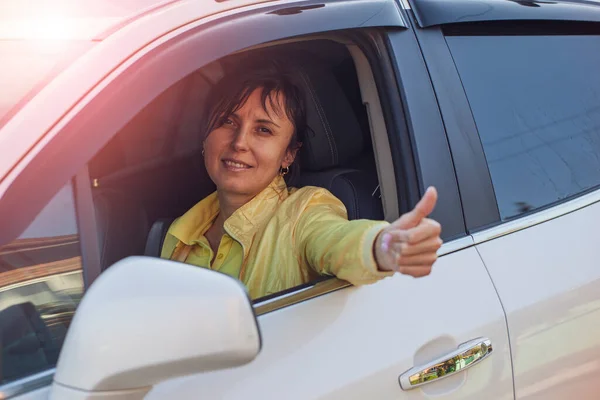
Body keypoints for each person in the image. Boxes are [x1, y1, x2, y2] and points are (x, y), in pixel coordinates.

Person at [161, 60, 442, 299]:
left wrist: (382, 246)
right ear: (205, 136)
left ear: (288, 155)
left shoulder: (304, 212)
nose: (239, 142)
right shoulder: (181, 232)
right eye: (228, 122)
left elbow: (335, 240)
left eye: (263, 130)